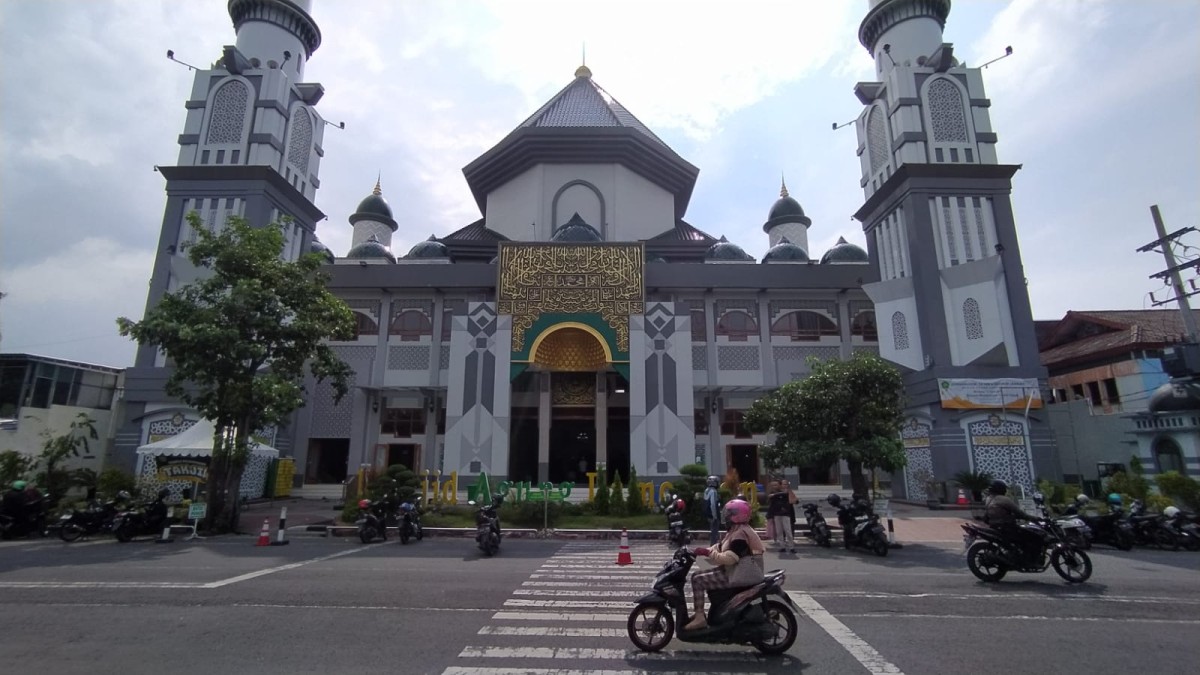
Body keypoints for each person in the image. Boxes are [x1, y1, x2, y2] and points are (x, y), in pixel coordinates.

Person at [684, 498, 765, 631]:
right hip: (734, 570)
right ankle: (703, 614)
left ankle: (700, 618)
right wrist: (700, 550)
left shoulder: (740, 534)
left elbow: (729, 559)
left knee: (698, 580)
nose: (725, 517)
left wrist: (708, 553)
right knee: (696, 576)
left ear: (737, 516)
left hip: (740, 574)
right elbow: (720, 547)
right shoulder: (736, 530)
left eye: (728, 514)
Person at [983, 479, 1042, 564]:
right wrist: (1034, 518)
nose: (1005, 490)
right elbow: (1020, 513)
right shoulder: (1004, 499)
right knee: (1034, 536)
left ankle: (1018, 555)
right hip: (1007, 528)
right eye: (1004, 488)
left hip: (995, 527)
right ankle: (1028, 559)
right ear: (1001, 489)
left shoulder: (988, 499)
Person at [766, 480, 794, 553]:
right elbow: (770, 501)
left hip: (785, 514)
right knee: (779, 531)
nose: (774, 486)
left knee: (788, 531)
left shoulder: (785, 491)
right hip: (777, 514)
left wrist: (774, 495)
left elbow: (786, 494)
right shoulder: (772, 493)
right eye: (773, 485)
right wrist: (770, 515)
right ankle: (782, 546)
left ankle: (791, 547)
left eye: (776, 485)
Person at [703, 476, 721, 545]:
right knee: (714, 532)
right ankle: (713, 546)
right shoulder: (713, 491)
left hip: (708, 514)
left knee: (712, 530)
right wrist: (715, 516)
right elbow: (713, 504)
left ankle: (712, 545)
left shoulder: (706, 490)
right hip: (713, 514)